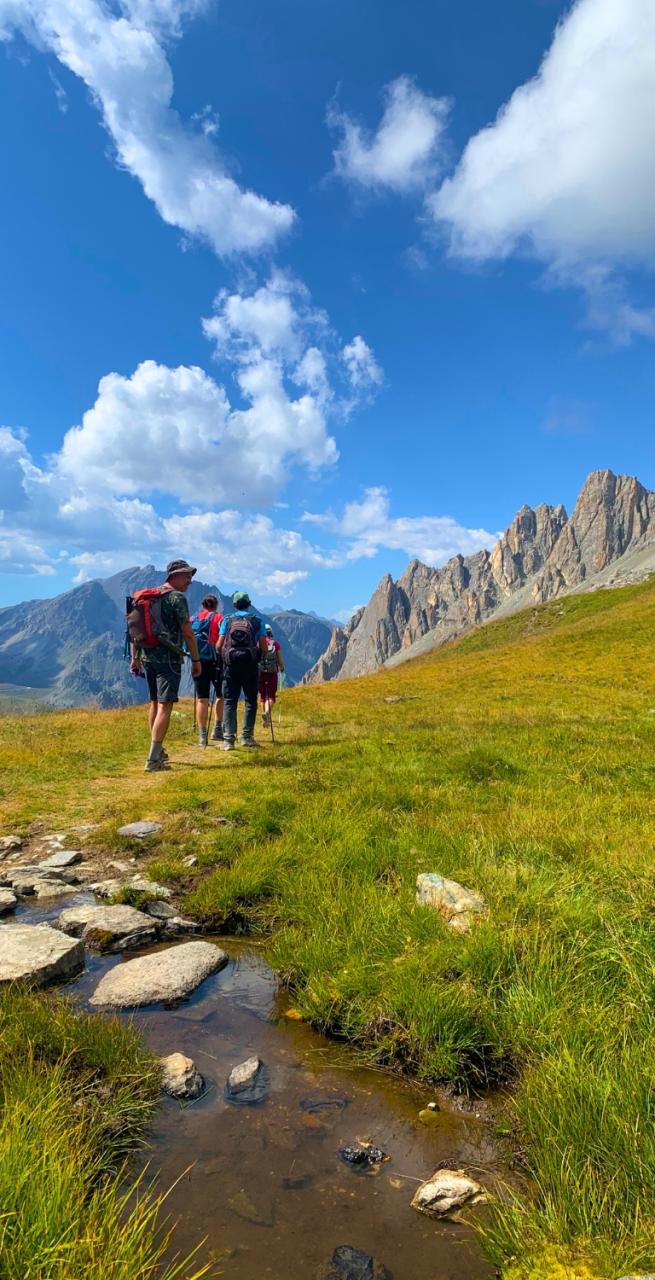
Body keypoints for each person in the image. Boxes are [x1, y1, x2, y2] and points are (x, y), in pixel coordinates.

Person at [130, 559, 201, 772]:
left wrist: (135, 657)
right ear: (174, 576)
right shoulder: (176, 598)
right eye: (187, 576)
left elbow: (134, 631)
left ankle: (158, 752)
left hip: (147, 657)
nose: (190, 581)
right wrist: (196, 660)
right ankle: (153, 760)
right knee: (165, 706)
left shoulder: (148, 596)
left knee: (154, 703)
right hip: (169, 659)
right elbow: (188, 631)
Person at [216, 591, 267, 751]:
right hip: (250, 665)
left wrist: (224, 656)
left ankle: (228, 740)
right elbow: (264, 646)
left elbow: (219, 645)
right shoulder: (257, 621)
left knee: (230, 701)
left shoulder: (227, 620)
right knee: (251, 700)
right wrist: (259, 656)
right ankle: (246, 737)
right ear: (249, 604)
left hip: (231, 666)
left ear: (234, 605)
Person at [190, 593, 224, 747]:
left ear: (203, 605)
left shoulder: (193, 618)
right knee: (220, 695)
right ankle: (217, 729)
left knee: (202, 699)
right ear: (216, 606)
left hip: (198, 661)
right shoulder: (219, 618)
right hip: (216, 661)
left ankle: (202, 736)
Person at [259, 623, 285, 728]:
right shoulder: (276, 644)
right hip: (272, 672)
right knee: (271, 696)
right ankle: (267, 713)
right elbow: (279, 660)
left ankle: (265, 720)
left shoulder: (258, 644)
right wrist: (282, 667)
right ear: (271, 633)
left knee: (262, 696)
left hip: (260, 673)